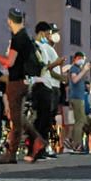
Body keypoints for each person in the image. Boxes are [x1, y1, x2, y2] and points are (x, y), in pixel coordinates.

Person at [0, 8, 47, 164]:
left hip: (16, 82)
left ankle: (16, 151)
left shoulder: (17, 38)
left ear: (9, 21)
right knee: (18, 119)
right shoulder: (26, 37)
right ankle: (27, 146)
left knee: (16, 120)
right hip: (26, 81)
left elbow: (10, 62)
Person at [33, 22, 64, 157]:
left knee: (45, 119)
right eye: (48, 33)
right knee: (43, 119)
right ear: (41, 33)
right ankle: (38, 149)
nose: (50, 36)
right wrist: (56, 64)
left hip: (47, 85)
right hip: (42, 84)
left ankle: (42, 148)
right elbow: (43, 67)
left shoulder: (44, 47)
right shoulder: (37, 46)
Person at [66, 51, 90, 153]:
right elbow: (75, 79)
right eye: (80, 58)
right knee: (79, 121)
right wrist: (84, 71)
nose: (82, 60)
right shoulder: (74, 68)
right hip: (76, 98)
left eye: (83, 58)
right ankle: (77, 144)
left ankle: (70, 140)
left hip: (79, 97)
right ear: (75, 58)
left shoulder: (78, 69)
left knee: (81, 120)